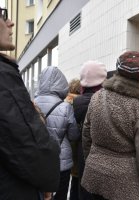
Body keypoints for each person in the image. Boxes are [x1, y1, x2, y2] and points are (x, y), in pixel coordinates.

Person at [81, 51, 139, 200]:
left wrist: (93, 161)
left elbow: (86, 134)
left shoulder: (97, 96)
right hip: (124, 183)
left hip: (93, 176)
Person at [0, 7, 60, 199]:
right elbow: (28, 144)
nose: (11, 23)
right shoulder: (3, 75)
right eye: (2, 16)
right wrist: (47, 178)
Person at [35, 66, 80, 200]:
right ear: (61, 83)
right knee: (60, 196)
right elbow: (73, 135)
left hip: (38, 160)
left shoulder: (31, 103)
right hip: (61, 161)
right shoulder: (65, 106)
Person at [73, 60, 107, 200]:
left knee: (85, 189)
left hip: (83, 150)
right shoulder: (105, 100)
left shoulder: (77, 101)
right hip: (104, 151)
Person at [65, 78, 82, 200]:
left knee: (73, 182)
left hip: (67, 148)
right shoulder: (83, 103)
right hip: (80, 147)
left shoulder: (64, 103)